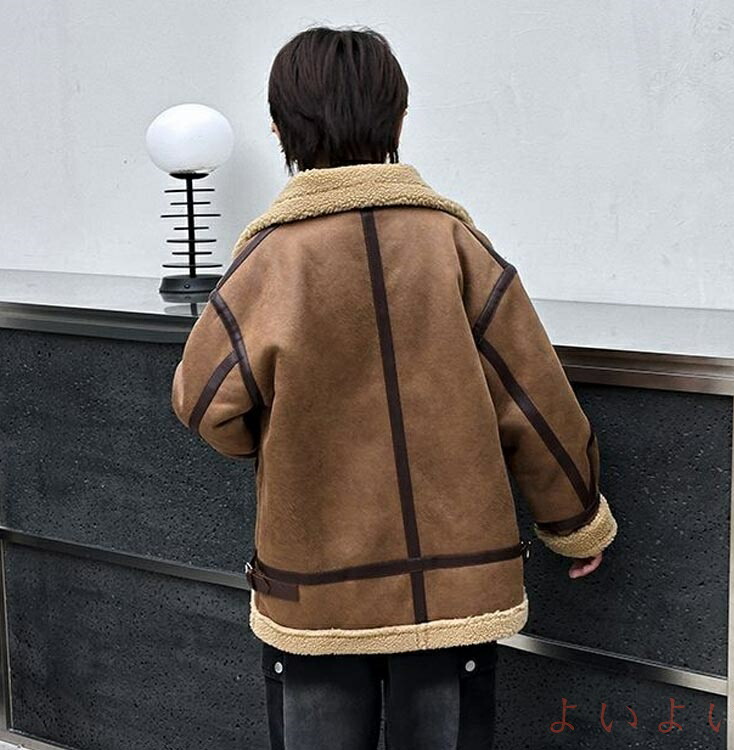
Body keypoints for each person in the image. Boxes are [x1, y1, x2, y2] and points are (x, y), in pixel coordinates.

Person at [171, 24, 618, 750]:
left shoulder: (269, 260)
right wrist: (575, 520)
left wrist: (277, 437)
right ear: (399, 120)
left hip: (315, 591)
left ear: (280, 127)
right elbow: (532, 402)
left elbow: (203, 402)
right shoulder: (456, 246)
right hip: (454, 592)